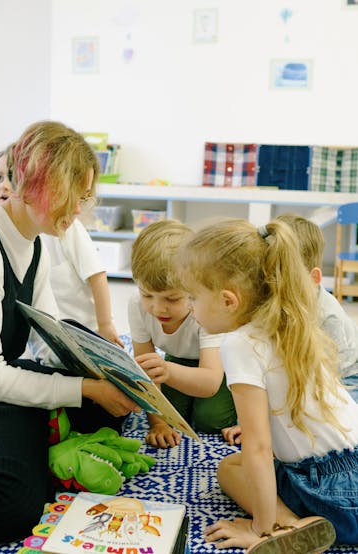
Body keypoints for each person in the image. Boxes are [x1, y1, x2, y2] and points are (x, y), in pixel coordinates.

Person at [0, 120, 140, 548]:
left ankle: (21, 449)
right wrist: (83, 389)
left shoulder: (34, 241)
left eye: (84, 198)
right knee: (12, 501)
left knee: (108, 406)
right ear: (38, 183)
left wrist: (111, 370)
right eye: (73, 195)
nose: (78, 210)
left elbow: (47, 336)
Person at [176, 217, 358, 552]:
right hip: (352, 478)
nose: (189, 307)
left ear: (229, 300)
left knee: (231, 468)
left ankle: (283, 525)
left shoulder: (240, 344)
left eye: (192, 297)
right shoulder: (294, 320)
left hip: (334, 496)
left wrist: (259, 527)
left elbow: (258, 449)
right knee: (236, 464)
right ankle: (296, 524)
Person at [0, 146, 121, 345]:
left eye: (12, 177)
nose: (5, 186)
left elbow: (97, 275)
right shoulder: (6, 235)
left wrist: (105, 324)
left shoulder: (66, 227)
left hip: (87, 331)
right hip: (49, 336)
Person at [128, 219, 237, 449]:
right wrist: (157, 424)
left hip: (224, 363)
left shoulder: (206, 309)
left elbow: (209, 381)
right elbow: (146, 374)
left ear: (194, 289)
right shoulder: (136, 306)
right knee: (171, 416)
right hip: (179, 360)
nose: (158, 309)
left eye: (172, 299)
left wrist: (166, 370)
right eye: (147, 295)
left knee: (211, 420)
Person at [278, 213, 358, 401]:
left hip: (346, 376)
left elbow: (334, 372)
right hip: (306, 368)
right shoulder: (280, 299)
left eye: (283, 274)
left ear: (313, 278)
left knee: (343, 421)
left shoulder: (326, 315)